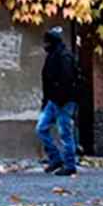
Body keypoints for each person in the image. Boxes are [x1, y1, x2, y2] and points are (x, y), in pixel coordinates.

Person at [37, 27, 79, 176]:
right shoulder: (52, 56)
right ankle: (56, 159)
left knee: (65, 133)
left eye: (47, 42)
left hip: (64, 101)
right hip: (53, 101)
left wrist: (61, 100)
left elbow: (67, 80)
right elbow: (48, 82)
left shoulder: (64, 57)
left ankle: (70, 165)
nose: (45, 45)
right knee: (41, 129)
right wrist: (46, 101)